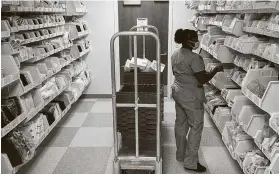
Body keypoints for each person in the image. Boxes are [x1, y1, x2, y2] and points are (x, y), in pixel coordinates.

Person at [171, 29, 223, 172]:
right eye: (194, 38)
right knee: (196, 127)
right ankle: (191, 163)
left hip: (178, 92)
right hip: (191, 96)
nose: (196, 40)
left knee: (180, 124)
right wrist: (215, 70)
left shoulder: (175, 54)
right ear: (187, 40)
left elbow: (182, 73)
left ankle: (180, 155)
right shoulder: (195, 58)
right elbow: (202, 79)